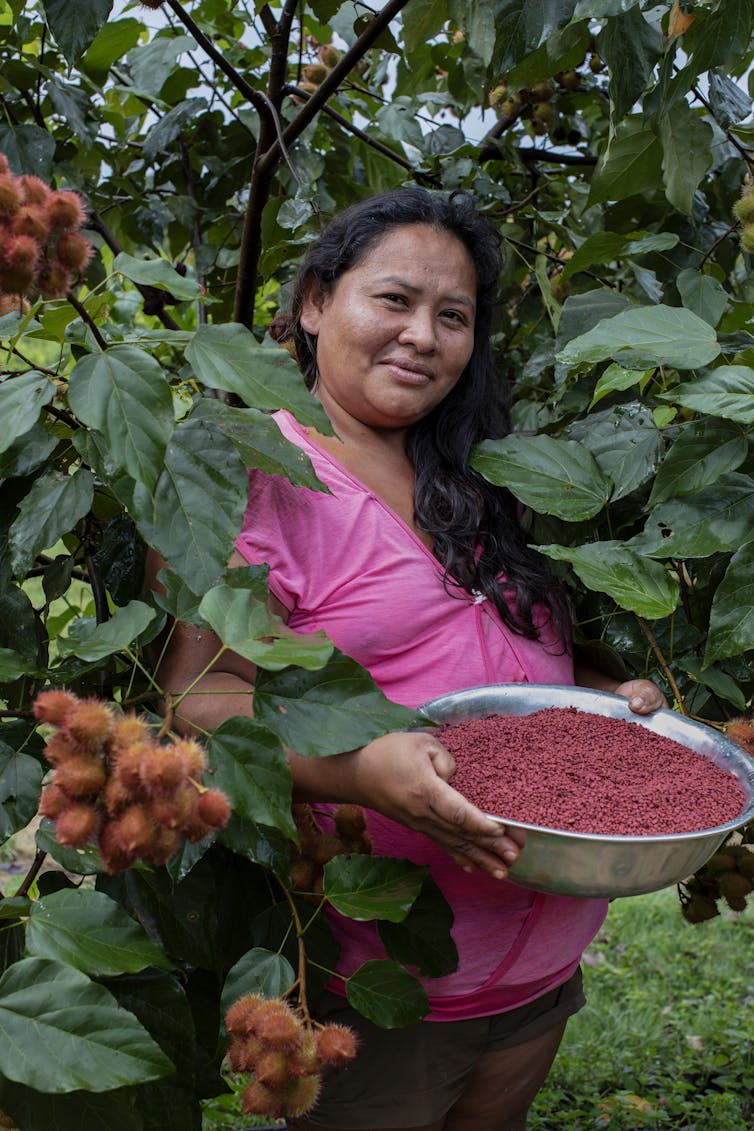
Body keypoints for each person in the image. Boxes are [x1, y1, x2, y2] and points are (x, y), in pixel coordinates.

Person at [152, 187, 666, 1131]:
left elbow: (518, 646)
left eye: (453, 316)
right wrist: (364, 772)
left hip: (541, 960)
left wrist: (606, 696)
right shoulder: (246, 471)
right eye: (394, 300)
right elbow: (198, 699)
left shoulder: (484, 469)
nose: (423, 336)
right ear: (314, 303)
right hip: (381, 979)